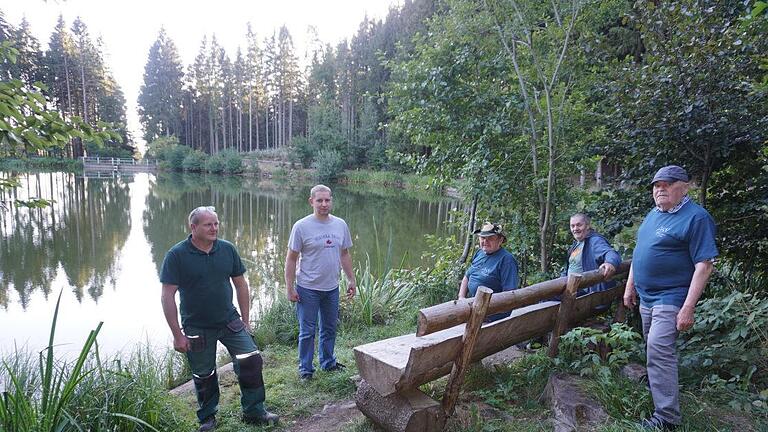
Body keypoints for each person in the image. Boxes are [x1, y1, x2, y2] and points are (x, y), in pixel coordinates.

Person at [160, 206, 278, 431]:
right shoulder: (177, 255)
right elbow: (167, 295)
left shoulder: (227, 249)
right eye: (208, 224)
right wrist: (177, 335)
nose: (214, 228)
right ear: (193, 227)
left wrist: (246, 319)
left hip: (229, 320)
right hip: (197, 326)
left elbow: (240, 283)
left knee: (251, 359)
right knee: (204, 374)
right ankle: (208, 417)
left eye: (216, 223)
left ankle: (254, 411)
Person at [624, 165, 718, 431]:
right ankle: (659, 392)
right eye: (656, 185)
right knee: (654, 349)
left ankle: (666, 418)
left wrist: (688, 307)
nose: (660, 189)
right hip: (646, 297)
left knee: (658, 349)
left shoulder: (696, 218)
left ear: (685, 186)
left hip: (671, 295)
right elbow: (639, 251)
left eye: (667, 184)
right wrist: (630, 286)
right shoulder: (653, 215)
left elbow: (704, 265)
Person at [285, 184, 356, 380]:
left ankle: (328, 362)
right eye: (320, 200)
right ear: (311, 202)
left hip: (331, 288)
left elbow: (344, 253)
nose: (324, 204)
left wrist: (351, 279)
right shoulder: (301, 226)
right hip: (307, 288)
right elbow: (291, 258)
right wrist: (289, 287)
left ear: (331, 201)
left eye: (327, 200)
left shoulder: (340, 224)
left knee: (329, 328)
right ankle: (305, 370)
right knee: (307, 331)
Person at [457, 222, 520, 322]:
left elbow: (509, 295)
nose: (485, 241)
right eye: (482, 238)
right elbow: (467, 277)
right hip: (474, 309)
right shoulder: (480, 253)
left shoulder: (507, 260)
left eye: (490, 238)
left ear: (500, 240)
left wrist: (483, 309)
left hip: (492, 317)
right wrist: (461, 298)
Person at [561, 213, 621, 296]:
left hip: (586, 292)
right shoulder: (576, 245)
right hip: (570, 288)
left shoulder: (594, 241)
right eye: (572, 226)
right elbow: (569, 267)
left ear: (587, 226)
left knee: (545, 298)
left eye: (579, 225)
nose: (575, 229)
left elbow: (611, 253)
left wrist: (610, 263)